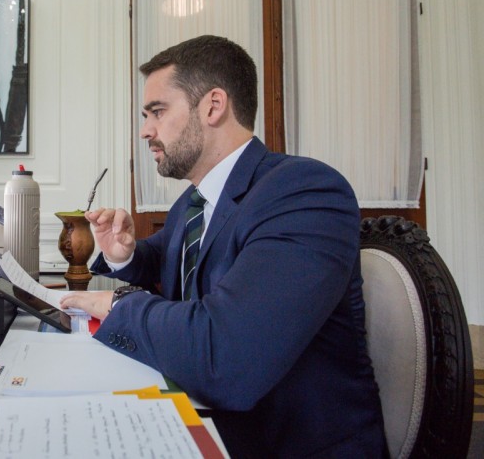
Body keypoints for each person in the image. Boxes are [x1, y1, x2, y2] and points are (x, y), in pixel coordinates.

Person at [60, 35, 387, 457]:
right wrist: (125, 254)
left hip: (279, 443)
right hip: (205, 420)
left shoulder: (304, 192)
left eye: (157, 111)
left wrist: (116, 306)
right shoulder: (193, 201)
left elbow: (226, 355)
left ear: (213, 106)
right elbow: (164, 258)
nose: (145, 130)